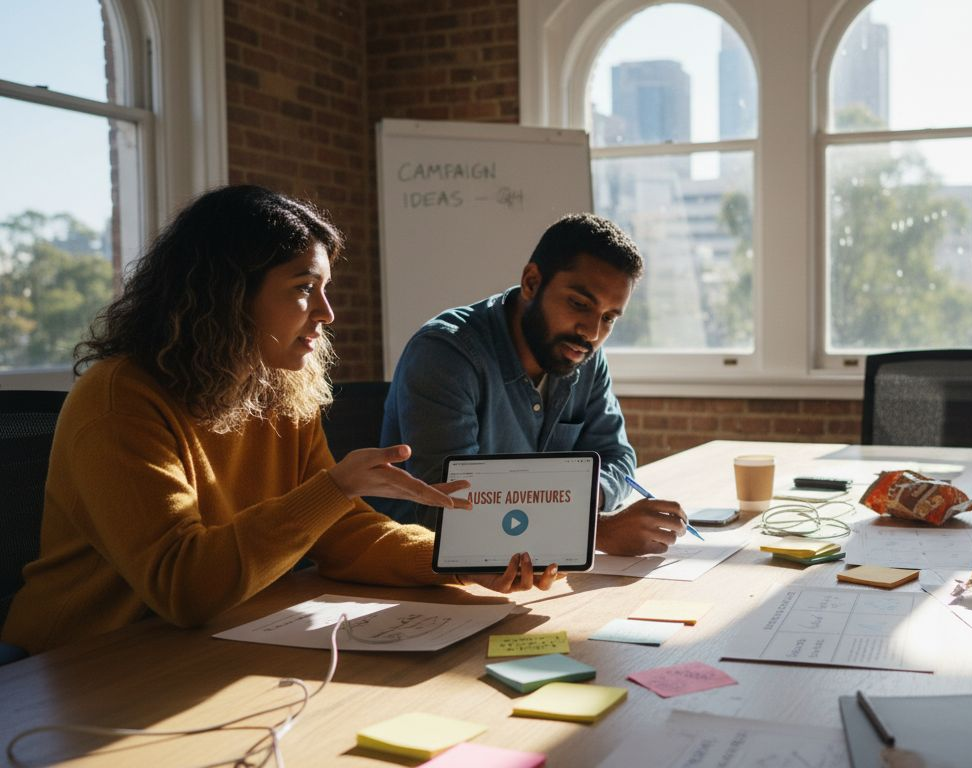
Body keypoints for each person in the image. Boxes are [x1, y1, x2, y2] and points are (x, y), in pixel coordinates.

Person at [1, 186, 560, 656]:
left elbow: (341, 536)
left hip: (215, 640)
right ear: (225, 296)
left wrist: (463, 562)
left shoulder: (275, 386)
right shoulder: (120, 400)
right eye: (302, 289)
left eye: (324, 289)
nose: (326, 313)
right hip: (79, 662)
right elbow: (183, 585)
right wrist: (336, 486)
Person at [378, 213, 688, 556]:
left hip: (529, 566)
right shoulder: (445, 354)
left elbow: (616, 457)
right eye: (579, 304)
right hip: (420, 574)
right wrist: (591, 529)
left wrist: (579, 501)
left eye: (609, 318)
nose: (592, 332)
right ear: (531, 282)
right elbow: (447, 506)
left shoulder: (583, 355)